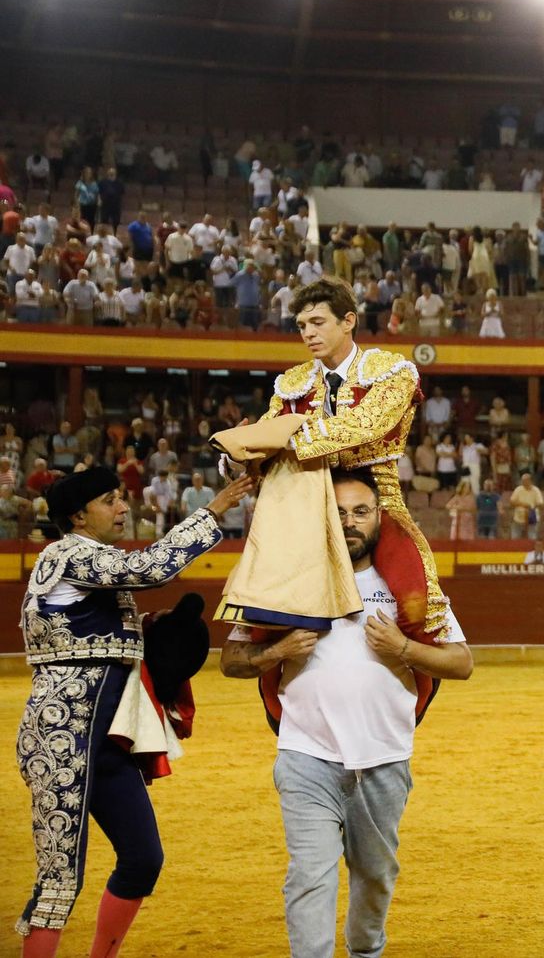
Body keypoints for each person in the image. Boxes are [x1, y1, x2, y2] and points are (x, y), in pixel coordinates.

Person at [221, 469, 472, 958]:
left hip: (383, 757)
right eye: (338, 512)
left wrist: (403, 646)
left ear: (380, 517)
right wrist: (278, 651)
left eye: (361, 511)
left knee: (375, 875)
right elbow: (231, 661)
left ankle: (365, 950)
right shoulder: (284, 580)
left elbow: (461, 662)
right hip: (305, 754)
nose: (350, 522)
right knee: (309, 875)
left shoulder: (412, 584)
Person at [17, 465, 252, 955]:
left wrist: (151, 629)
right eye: (111, 500)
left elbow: (95, 635)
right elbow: (151, 569)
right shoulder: (68, 554)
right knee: (60, 878)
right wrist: (213, 511)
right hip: (62, 734)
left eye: (121, 498)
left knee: (143, 858)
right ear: (78, 515)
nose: (124, 508)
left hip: (108, 739)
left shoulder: (92, 565)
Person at [247, 277, 453, 636]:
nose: (308, 333)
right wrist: (238, 456)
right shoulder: (292, 383)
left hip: (377, 503)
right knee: (262, 616)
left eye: (317, 323)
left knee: (419, 602)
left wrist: (284, 442)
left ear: (348, 321)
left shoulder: (392, 371)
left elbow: (366, 424)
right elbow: (262, 437)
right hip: (308, 506)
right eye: (301, 326)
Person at [509, 473, 544, 539]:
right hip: (518, 518)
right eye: (522, 481)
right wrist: (524, 504)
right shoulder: (518, 489)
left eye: (525, 480)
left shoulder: (536, 490)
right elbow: (512, 501)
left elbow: (541, 503)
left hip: (532, 518)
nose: (523, 482)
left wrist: (531, 506)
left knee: (532, 538)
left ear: (530, 481)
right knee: (515, 538)